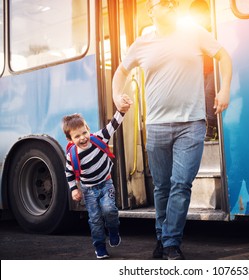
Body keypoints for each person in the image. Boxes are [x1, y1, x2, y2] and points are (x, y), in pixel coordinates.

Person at [112, 0, 232, 260]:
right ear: (151, 10)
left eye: (173, 3)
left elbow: (223, 55)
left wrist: (224, 89)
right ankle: (163, 237)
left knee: (181, 184)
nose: (170, 6)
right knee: (162, 187)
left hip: (191, 124)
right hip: (156, 126)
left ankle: (169, 243)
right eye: (164, 3)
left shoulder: (193, 32)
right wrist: (116, 95)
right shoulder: (141, 44)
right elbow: (121, 72)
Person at [62, 94, 132, 259]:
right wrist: (73, 190)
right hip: (88, 190)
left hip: (106, 183)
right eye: (77, 136)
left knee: (109, 210)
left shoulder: (99, 138)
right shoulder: (72, 155)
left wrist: (121, 111)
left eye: (84, 132)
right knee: (94, 219)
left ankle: (113, 229)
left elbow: (113, 125)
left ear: (88, 128)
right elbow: (69, 173)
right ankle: (99, 246)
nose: (82, 138)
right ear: (70, 139)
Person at [189, 0, 217, 140]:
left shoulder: (214, 29)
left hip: (214, 69)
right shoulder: (194, 33)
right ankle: (204, 125)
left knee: (208, 92)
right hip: (201, 71)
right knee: (199, 96)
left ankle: (212, 126)